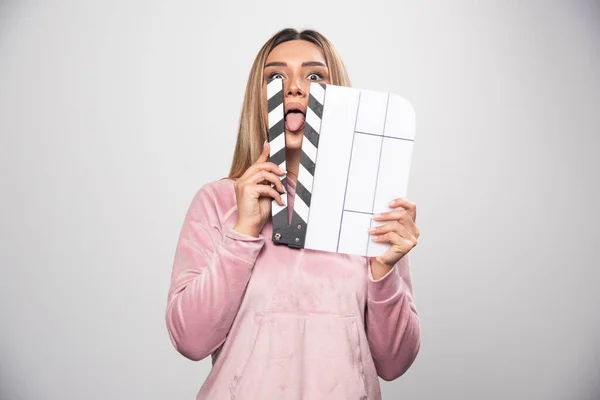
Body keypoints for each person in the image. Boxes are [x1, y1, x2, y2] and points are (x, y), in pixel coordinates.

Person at [165, 28, 421, 400]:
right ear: (259, 98)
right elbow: (190, 339)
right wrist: (244, 232)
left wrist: (384, 272)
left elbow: (395, 363)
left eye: (315, 76)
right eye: (276, 77)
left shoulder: (374, 208)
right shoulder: (217, 202)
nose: (295, 87)